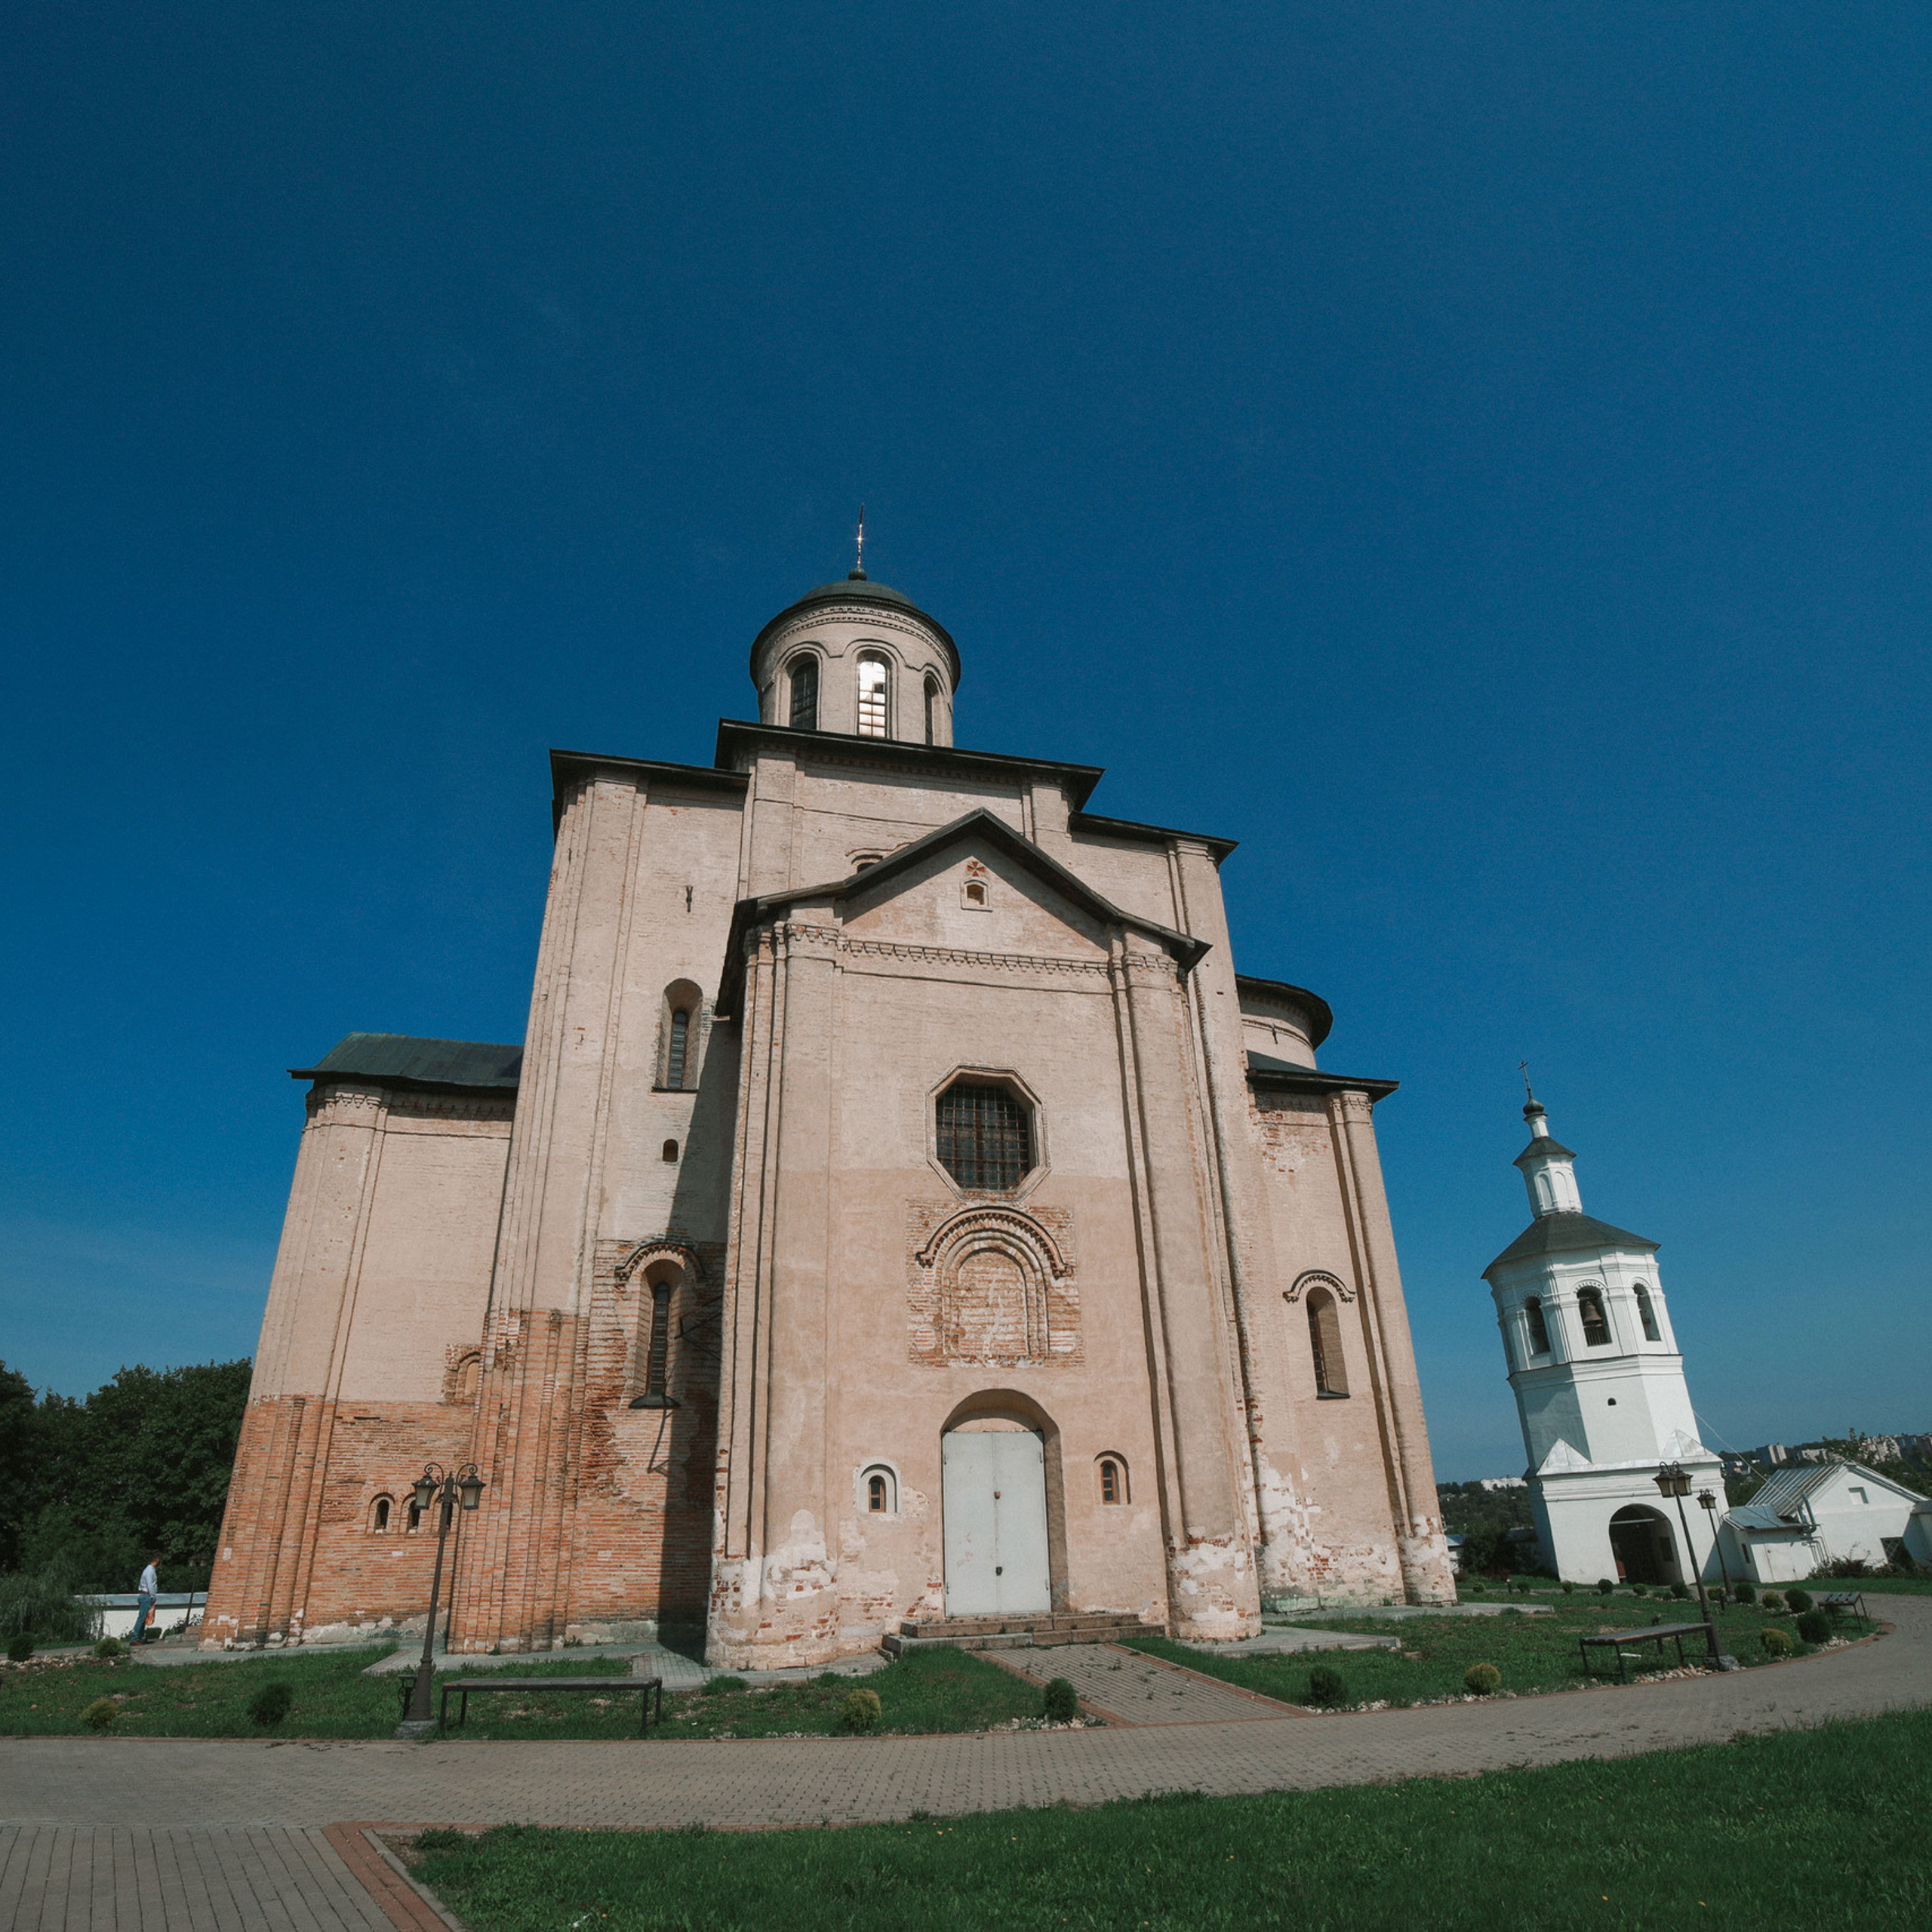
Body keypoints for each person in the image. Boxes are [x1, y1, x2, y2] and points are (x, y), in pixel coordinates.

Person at [131, 1558, 159, 1644]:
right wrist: (153, 1596)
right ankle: (134, 1638)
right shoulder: (150, 1571)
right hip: (146, 1595)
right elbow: (149, 1583)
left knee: (144, 1618)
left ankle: (142, 1637)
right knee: (142, 1618)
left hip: (145, 1595)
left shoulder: (148, 1570)